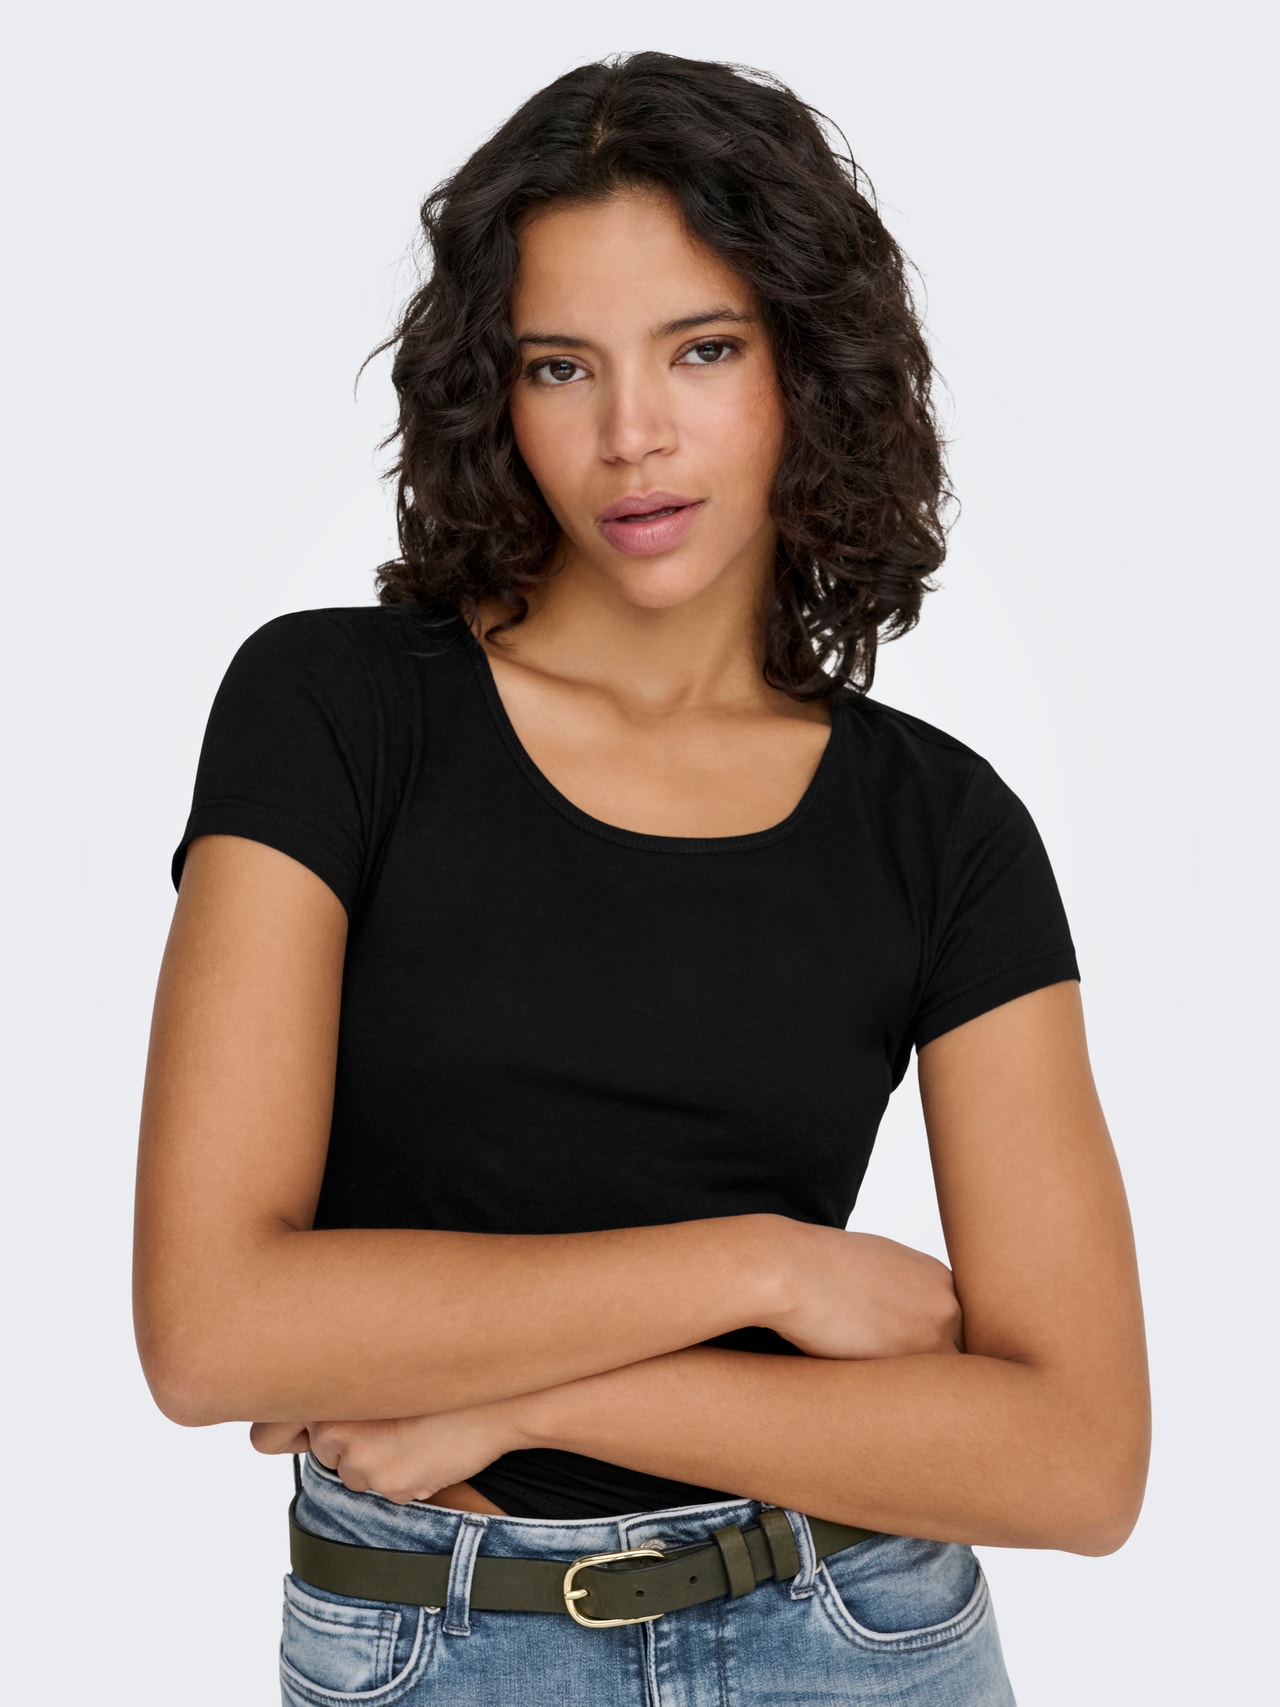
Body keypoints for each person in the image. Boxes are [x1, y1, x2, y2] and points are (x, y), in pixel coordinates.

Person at [134, 49, 1150, 1706]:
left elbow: (1078, 1460)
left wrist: (533, 1399)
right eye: (561, 365)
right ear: (494, 395)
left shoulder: (943, 829)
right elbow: (210, 1327)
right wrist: (765, 1266)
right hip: (436, 1639)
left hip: (860, 1633)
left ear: (808, 367)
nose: (632, 436)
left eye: (703, 348)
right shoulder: (333, 713)